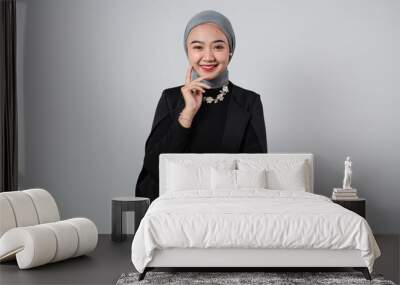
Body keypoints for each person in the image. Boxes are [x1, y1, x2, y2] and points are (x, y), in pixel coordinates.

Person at [135, 10, 268, 202]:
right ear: (188, 52)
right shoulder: (171, 98)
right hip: (175, 207)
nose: (208, 56)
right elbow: (153, 168)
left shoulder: (248, 102)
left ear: (230, 51)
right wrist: (187, 114)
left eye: (218, 47)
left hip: (228, 207)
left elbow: (255, 173)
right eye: (198, 47)